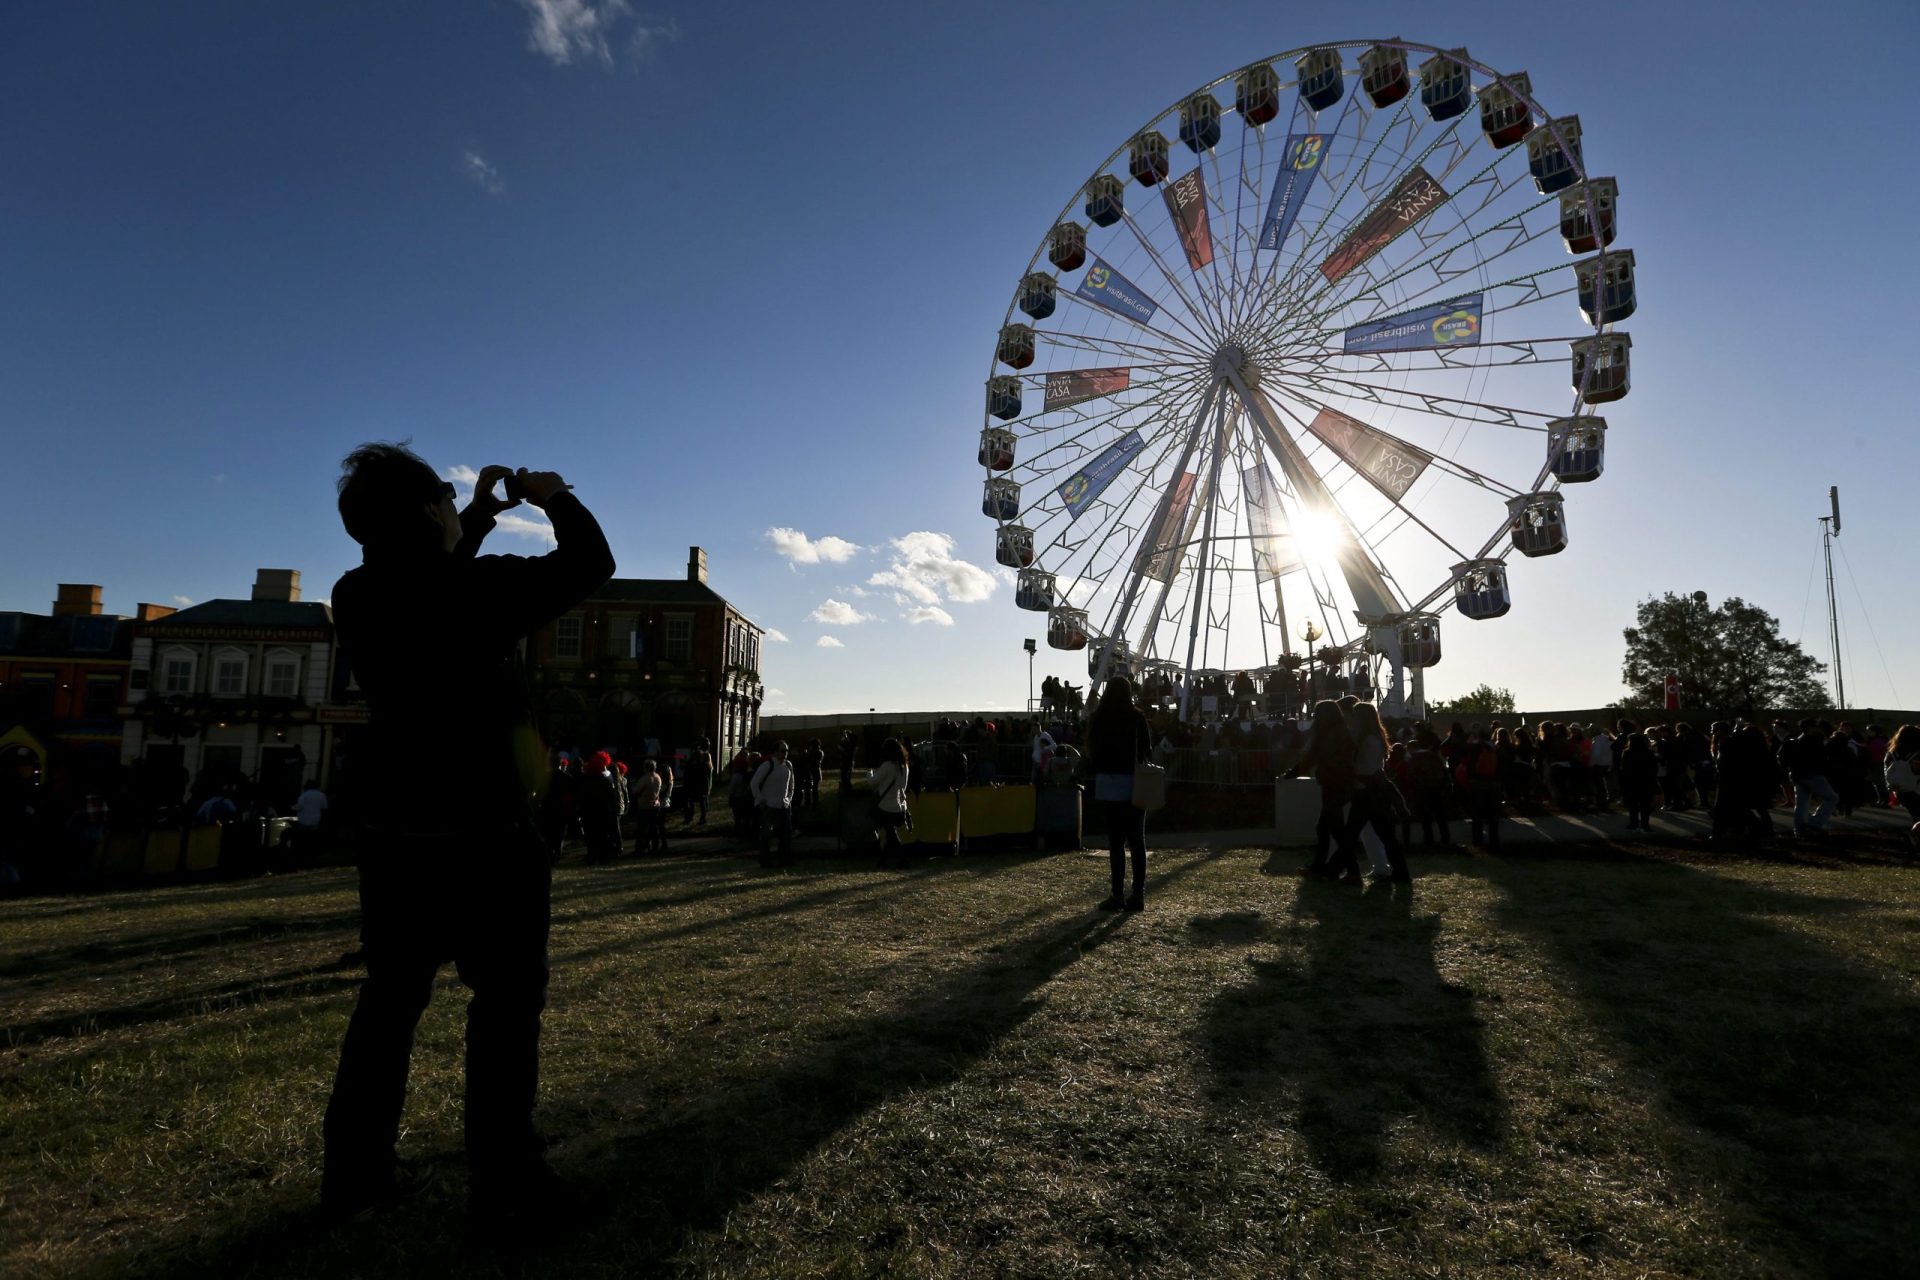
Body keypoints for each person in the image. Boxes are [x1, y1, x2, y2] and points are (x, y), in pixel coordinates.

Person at [321, 447, 612, 1227]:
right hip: (485, 826)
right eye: (445, 502)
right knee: (506, 1005)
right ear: (425, 512)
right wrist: (551, 496)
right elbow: (590, 562)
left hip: (392, 828)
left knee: (389, 1002)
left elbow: (429, 587)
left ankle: (355, 1176)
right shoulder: (475, 591)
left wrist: (479, 515)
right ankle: (507, 1184)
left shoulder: (354, 595)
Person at [1088, 676, 1153, 911]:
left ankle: (1117, 895)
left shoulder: (1100, 717)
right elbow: (1147, 749)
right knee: (1137, 841)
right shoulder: (1137, 717)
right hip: (1134, 782)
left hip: (1108, 782)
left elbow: (1092, 749)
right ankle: (1138, 894)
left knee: (1115, 843)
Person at [1301, 700, 1359, 880]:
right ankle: (1324, 868)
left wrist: (1291, 772)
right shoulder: (1342, 732)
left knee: (1332, 830)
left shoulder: (1327, 734)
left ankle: (1351, 872)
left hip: (1333, 784)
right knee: (1328, 828)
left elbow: (1312, 758)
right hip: (1340, 784)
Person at [1780, 719, 1839, 838]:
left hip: (1797, 775)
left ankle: (1799, 830)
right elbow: (1823, 759)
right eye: (1815, 726)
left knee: (1801, 803)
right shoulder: (1814, 741)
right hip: (1812, 774)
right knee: (1832, 797)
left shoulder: (1794, 742)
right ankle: (1814, 823)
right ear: (1810, 728)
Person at [751, 741, 796, 867]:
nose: (785, 753)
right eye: (782, 751)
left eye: (786, 751)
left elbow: (791, 784)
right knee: (767, 835)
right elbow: (754, 783)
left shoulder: (788, 765)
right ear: (775, 752)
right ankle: (765, 860)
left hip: (784, 805)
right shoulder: (767, 765)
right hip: (769, 805)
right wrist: (760, 799)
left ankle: (784, 859)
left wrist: (789, 798)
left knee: (786, 834)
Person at [868, 738, 911, 869]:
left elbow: (872, 782)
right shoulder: (905, 767)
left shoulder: (887, 766)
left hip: (885, 806)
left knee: (890, 835)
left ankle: (899, 859)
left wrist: (868, 774)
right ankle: (883, 861)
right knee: (890, 833)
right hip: (899, 807)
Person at [1619, 731, 1659, 832]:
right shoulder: (1649, 752)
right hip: (1646, 781)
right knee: (1645, 804)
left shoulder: (1627, 752)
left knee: (1633, 805)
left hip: (1632, 781)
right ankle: (1645, 824)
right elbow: (1654, 768)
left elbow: (1623, 769)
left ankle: (1634, 823)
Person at [291, 779, 329, 862]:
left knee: (303, 838)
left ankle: (302, 855)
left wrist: (292, 807)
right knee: (312, 838)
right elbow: (324, 808)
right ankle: (311, 855)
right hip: (316, 820)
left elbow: (299, 806)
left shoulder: (304, 795)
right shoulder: (322, 795)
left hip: (303, 820)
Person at [631, 759, 662, 854]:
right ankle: (655, 847)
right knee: (654, 828)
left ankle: (640, 848)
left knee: (642, 829)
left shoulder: (645, 778)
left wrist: (632, 786)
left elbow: (635, 791)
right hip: (655, 805)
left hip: (644, 806)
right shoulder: (658, 777)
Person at [683, 739, 713, 826]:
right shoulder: (695, 764)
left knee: (701, 803)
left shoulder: (703, 765)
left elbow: (703, 776)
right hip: (695, 786)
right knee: (693, 802)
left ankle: (702, 818)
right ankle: (692, 817)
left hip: (700, 787)